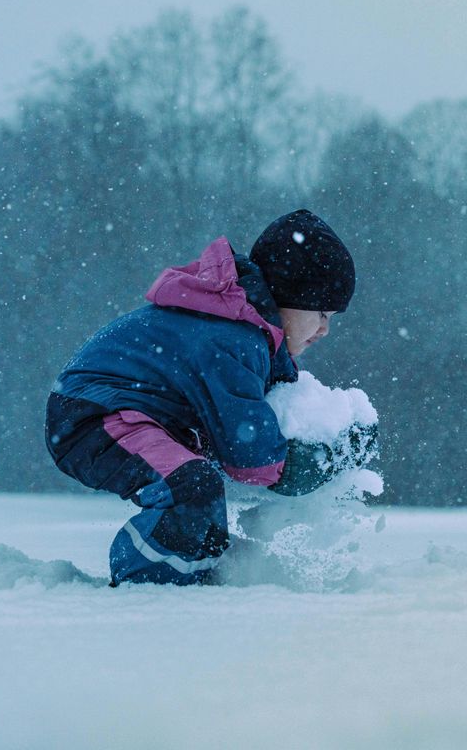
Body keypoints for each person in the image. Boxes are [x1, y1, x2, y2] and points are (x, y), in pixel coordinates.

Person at [45, 209, 370, 585]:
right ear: (289, 295)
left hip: (133, 412)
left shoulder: (247, 336)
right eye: (322, 313)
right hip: (94, 414)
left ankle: (195, 577)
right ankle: (146, 587)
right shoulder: (232, 339)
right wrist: (316, 463)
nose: (325, 329)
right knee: (191, 489)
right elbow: (250, 458)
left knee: (203, 501)